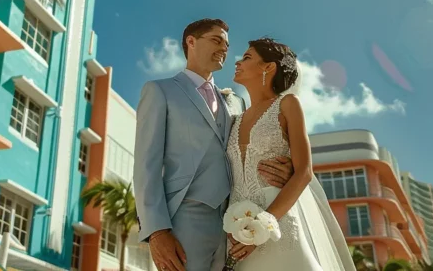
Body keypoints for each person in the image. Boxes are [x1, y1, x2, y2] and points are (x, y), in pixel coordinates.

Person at [133, 19, 296, 271]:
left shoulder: (236, 103)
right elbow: (146, 165)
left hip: (234, 223)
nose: (225, 49)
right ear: (191, 42)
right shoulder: (160, 91)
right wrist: (156, 231)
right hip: (183, 218)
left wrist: (287, 172)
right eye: (216, 40)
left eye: (227, 45)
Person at [224, 38, 355, 270]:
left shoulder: (287, 104)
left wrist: (264, 224)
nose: (237, 62)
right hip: (237, 230)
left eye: (247, 57)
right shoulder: (235, 119)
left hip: (279, 223)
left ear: (268, 67)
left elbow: (303, 172)